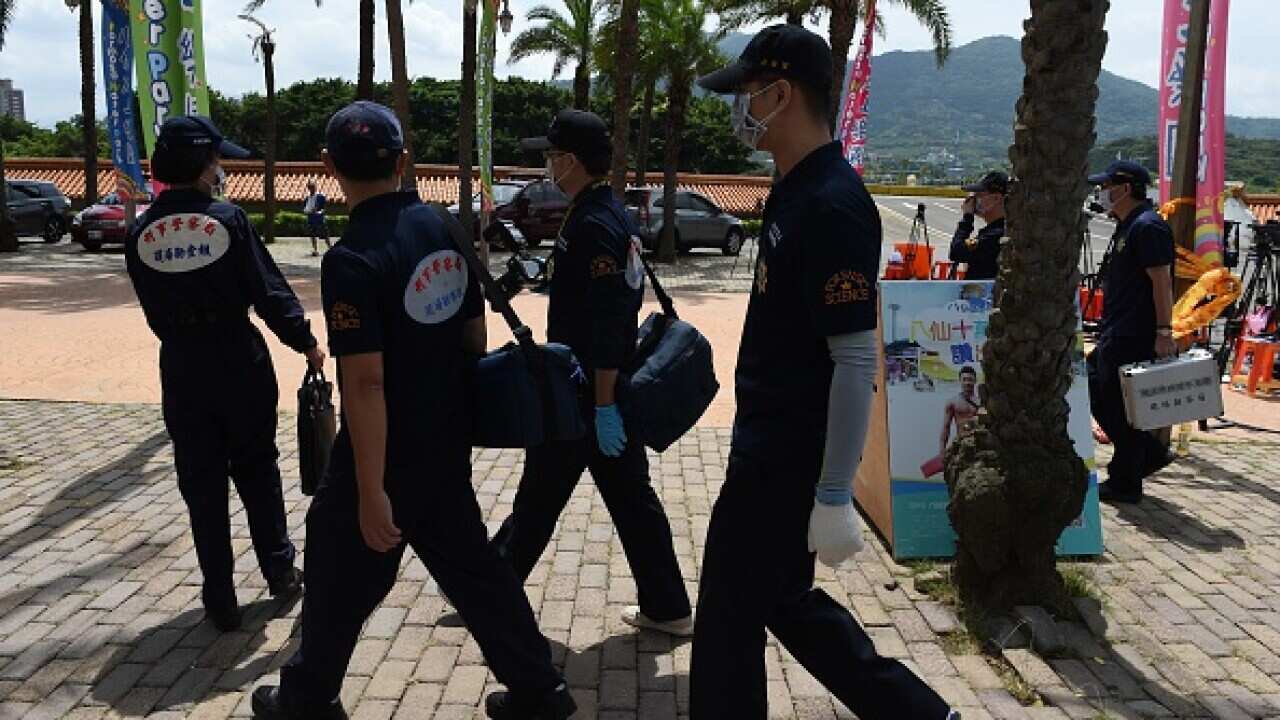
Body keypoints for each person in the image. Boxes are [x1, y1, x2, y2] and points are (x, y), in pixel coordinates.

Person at [251, 102, 574, 720]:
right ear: (403, 162)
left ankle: (309, 696)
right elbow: (473, 339)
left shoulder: (349, 261)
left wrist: (372, 490)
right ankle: (541, 690)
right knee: (477, 574)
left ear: (328, 167)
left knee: (335, 557)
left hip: (383, 453)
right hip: (445, 439)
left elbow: (365, 386)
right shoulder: (444, 229)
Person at [692, 25, 958, 720]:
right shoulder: (795, 188)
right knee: (777, 602)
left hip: (785, 455)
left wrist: (835, 492)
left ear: (780, 95)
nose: (738, 110)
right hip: (768, 442)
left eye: (746, 95)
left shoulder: (832, 205)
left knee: (728, 613)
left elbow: (854, 357)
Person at [490, 108, 694, 636]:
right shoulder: (600, 211)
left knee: (541, 496)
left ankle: (489, 590)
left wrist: (603, 405)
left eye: (552, 156)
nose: (547, 165)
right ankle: (668, 606)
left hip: (587, 392)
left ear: (571, 160)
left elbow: (607, 321)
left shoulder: (595, 223)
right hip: (595, 389)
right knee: (625, 501)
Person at [124, 116, 319, 631]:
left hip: (182, 366)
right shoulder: (227, 220)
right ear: (201, 163)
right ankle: (279, 571)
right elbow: (268, 292)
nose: (220, 169)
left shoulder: (140, 231)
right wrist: (305, 342)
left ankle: (220, 595)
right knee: (257, 469)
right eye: (215, 160)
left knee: (201, 481)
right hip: (239, 360)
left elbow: (151, 308)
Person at [1086, 160, 1176, 504]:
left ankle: (1127, 480)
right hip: (1117, 329)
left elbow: (1162, 281)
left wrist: (1164, 331)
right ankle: (1148, 454)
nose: (1102, 193)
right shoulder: (1128, 225)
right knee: (1098, 389)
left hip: (1135, 332)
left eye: (1106, 186)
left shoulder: (1147, 227)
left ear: (1124, 189)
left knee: (1112, 399)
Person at [949, 170, 1009, 280]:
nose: (973, 200)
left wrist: (967, 218)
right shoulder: (995, 230)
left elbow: (957, 251)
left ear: (996, 198)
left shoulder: (996, 234)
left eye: (979, 195)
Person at [940, 365, 981, 456]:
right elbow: (946, 427)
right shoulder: (952, 402)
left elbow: (987, 422)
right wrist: (942, 448)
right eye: (964, 379)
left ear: (975, 381)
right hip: (961, 443)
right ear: (960, 381)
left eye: (970, 379)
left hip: (980, 444)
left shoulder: (982, 402)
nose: (967, 382)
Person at [303, 180, 330, 256]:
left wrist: (319, 212)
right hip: (311, 218)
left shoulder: (320, 197)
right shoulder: (307, 198)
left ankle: (329, 248)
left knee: (325, 234)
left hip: (319, 218)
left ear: (315, 187)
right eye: (310, 187)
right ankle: (315, 250)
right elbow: (305, 208)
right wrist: (307, 211)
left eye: (312, 187)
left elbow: (324, 208)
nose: (311, 189)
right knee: (312, 235)